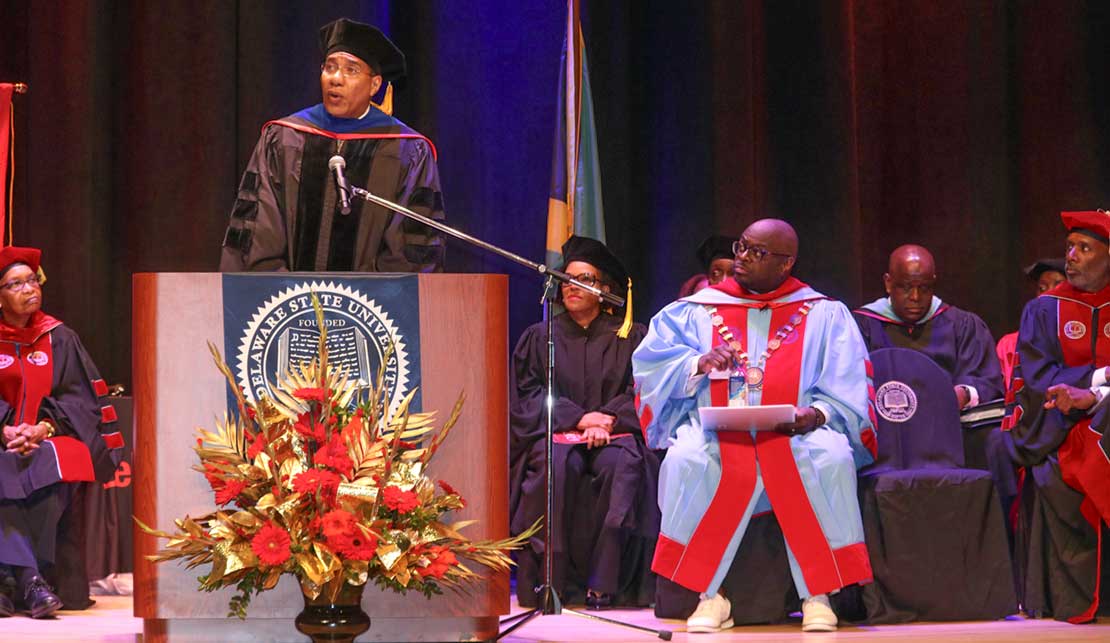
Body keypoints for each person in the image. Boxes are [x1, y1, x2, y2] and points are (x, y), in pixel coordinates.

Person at [633, 219, 875, 633]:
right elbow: (650, 367)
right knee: (686, 459)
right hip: (715, 431)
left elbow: (847, 384)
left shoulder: (823, 313)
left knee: (830, 457)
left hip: (798, 432)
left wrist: (815, 415)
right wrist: (697, 363)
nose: (741, 257)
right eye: (741, 246)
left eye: (756, 252)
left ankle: (818, 594)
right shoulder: (695, 310)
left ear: (785, 264)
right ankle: (711, 595)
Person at [220, 17, 445, 272]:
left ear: (374, 85)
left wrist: (356, 302)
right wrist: (288, 296)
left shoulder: (407, 151)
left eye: (351, 70)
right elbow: (257, 234)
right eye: (330, 67)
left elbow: (411, 249)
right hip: (288, 305)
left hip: (370, 308)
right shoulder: (283, 138)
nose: (336, 79)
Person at [508, 236, 658, 610]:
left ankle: (605, 583)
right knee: (556, 467)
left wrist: (607, 419)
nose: (572, 286)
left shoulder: (633, 337)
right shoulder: (541, 338)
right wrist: (577, 417)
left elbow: (644, 390)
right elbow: (527, 395)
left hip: (616, 434)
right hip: (559, 435)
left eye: (584, 279)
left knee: (623, 466)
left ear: (606, 290)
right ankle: (551, 581)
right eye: (567, 278)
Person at [0, 246, 122, 618]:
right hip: (1, 438)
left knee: (62, 457)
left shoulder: (59, 338)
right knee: (4, 466)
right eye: (15, 283)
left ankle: (14, 580)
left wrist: (42, 427)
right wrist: (5, 430)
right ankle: (30, 580)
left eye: (32, 280)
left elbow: (80, 398)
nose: (28, 289)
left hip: (46, 436)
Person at [1008, 210, 1110, 622]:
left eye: (1084, 248)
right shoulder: (1045, 309)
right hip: (1061, 427)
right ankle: (1073, 598)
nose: (1072, 256)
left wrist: (1093, 392)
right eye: (1070, 247)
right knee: (1058, 472)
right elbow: (1038, 378)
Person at [854, 245, 1004, 412]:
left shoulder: (962, 326)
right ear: (888, 283)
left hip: (949, 425)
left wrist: (964, 393)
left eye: (924, 288)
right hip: (883, 426)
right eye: (905, 287)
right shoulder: (862, 326)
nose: (915, 297)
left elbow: (987, 381)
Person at [996, 258, 1066, 389]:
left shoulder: (1080, 339)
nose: (1048, 294)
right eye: (1042, 288)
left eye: (1059, 286)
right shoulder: (1009, 344)